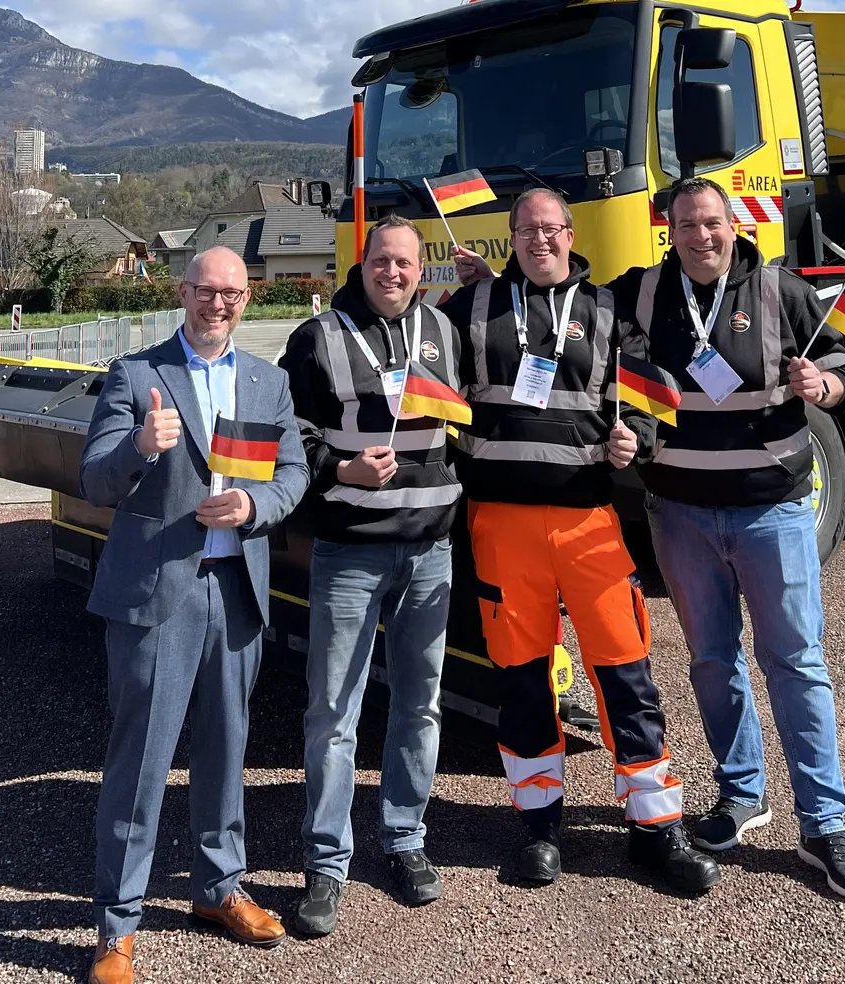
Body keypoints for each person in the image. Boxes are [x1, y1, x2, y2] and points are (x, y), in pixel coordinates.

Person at [439, 188, 720, 893]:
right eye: (526, 230)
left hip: (587, 520)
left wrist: (639, 437)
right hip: (501, 524)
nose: (540, 239)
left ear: (570, 234)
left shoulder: (606, 309)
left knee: (625, 671)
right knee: (522, 678)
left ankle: (655, 826)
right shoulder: (470, 307)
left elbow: (648, 395)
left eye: (551, 228)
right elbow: (417, 359)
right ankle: (538, 828)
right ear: (510, 238)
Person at [611, 177, 845, 900]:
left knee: (795, 663)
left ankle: (824, 825)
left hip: (773, 513)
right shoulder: (641, 294)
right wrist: (484, 281)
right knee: (711, 661)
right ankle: (741, 793)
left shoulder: (780, 290)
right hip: (681, 514)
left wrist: (825, 387)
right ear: (667, 231)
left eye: (712, 222)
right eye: (686, 225)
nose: (701, 236)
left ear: (733, 224)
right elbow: (559, 303)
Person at [79, 246, 309, 984]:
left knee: (226, 748)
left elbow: (294, 471)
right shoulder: (136, 375)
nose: (218, 304)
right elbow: (95, 479)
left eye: (232, 294)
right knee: (142, 761)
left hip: (236, 590)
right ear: (183, 293)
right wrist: (141, 446)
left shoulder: (268, 381)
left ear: (247, 300)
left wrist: (254, 504)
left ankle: (218, 888)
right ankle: (117, 926)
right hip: (157, 596)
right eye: (206, 290)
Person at [279, 214, 462, 935]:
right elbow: (290, 434)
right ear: (363, 262)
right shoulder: (318, 336)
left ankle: (404, 838)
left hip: (430, 550)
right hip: (350, 552)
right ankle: (326, 862)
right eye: (382, 260)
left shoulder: (442, 331)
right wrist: (340, 468)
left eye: (406, 263)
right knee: (333, 712)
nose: (394, 272)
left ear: (422, 268)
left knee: (420, 704)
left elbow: (468, 422)